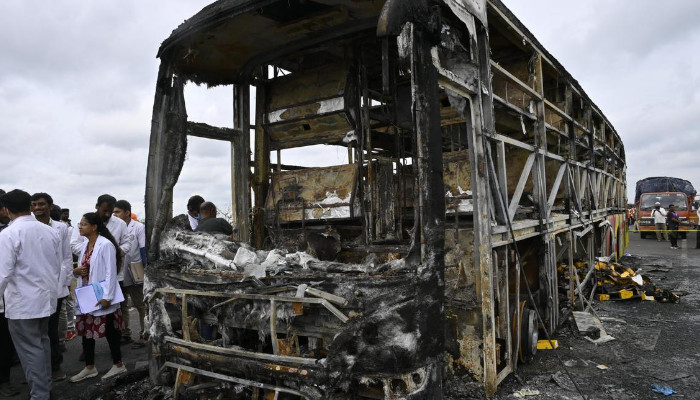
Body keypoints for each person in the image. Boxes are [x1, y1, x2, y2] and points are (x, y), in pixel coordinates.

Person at [0, 189, 61, 399]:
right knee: (42, 344)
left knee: (30, 350)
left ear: (7, 209)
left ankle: (40, 394)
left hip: (23, 303)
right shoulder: (49, 231)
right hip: (46, 298)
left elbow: (2, 273)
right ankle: (46, 389)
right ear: (29, 206)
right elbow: (56, 266)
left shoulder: (9, 234)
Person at [69, 212, 127, 382]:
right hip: (87, 295)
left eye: (83, 224)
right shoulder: (85, 244)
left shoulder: (105, 245)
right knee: (86, 333)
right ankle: (89, 367)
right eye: (79, 224)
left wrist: (107, 296)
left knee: (110, 331)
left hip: (102, 296)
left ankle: (118, 364)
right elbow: (83, 268)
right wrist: (75, 271)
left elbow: (111, 272)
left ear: (94, 227)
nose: (80, 227)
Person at [31, 193, 73, 381]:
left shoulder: (61, 227)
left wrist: (65, 282)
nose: (37, 208)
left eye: (41, 204)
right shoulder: (29, 227)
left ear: (50, 206)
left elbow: (66, 256)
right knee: (34, 330)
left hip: (56, 285)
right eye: (34, 204)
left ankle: (55, 366)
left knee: (51, 329)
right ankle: (36, 369)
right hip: (33, 285)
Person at [113, 200, 148, 348]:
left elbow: (143, 249)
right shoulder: (114, 228)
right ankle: (125, 334)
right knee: (121, 305)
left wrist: (145, 269)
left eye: (117, 212)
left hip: (135, 269)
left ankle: (144, 334)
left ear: (127, 213)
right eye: (113, 212)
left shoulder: (138, 227)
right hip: (118, 271)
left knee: (141, 304)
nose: (114, 215)